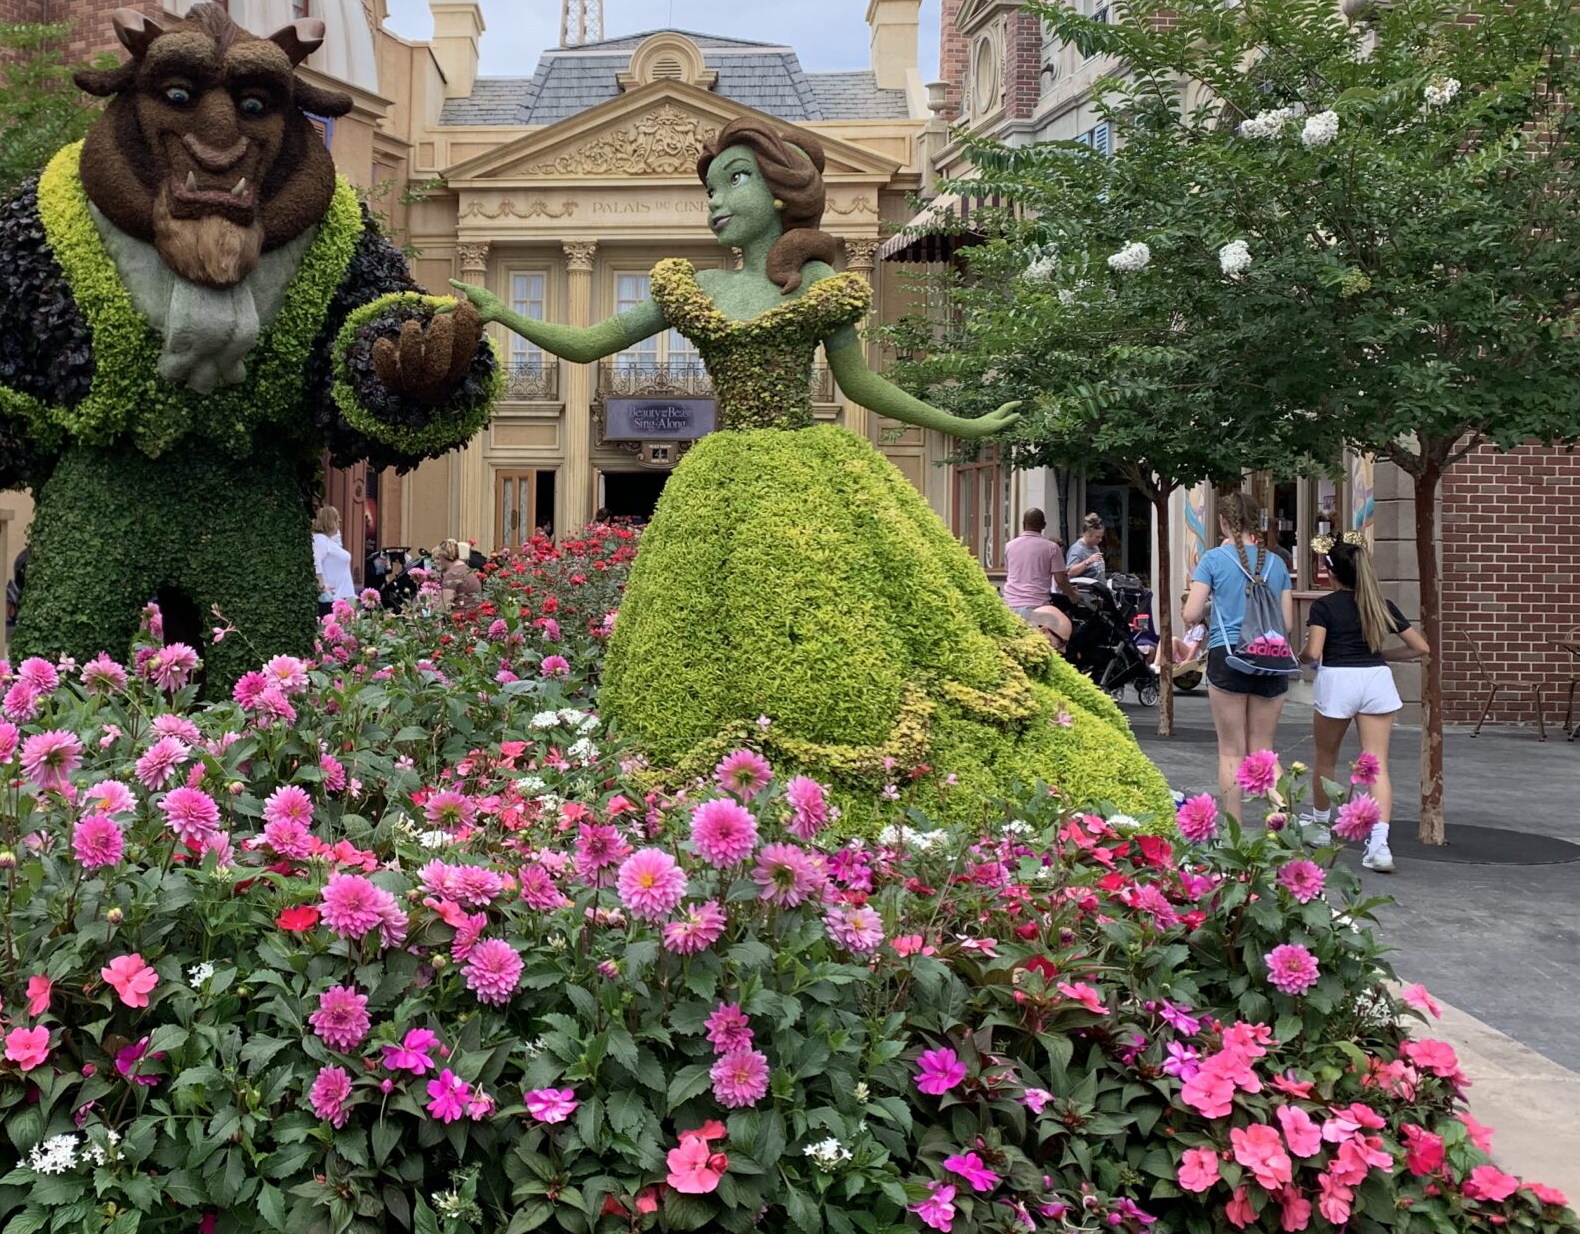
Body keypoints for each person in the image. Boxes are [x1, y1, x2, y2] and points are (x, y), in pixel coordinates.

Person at [448, 118, 1164, 819]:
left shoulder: (819, 281)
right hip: (720, 478)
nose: (716, 203)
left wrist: (962, 422)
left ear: (784, 192)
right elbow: (589, 340)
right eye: (709, 191)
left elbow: (860, 385)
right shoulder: (697, 286)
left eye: (735, 182)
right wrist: (505, 315)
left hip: (808, 472)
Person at [1305, 530, 1431, 873]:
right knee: (1376, 764)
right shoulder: (1381, 604)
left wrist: (1301, 654)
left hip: (1337, 680)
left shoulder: (1324, 606)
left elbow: (1313, 652)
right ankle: (1379, 845)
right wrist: (1384, 653)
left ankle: (1319, 824)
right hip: (1376, 679)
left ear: (1331, 574)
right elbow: (1421, 648)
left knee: (1325, 758)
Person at [1181, 491, 1296, 829]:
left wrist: (1211, 608)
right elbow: (1287, 624)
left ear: (1223, 522)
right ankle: (1281, 809)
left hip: (1228, 655)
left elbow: (1189, 614)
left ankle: (1233, 828)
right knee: (1263, 748)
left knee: (1231, 750)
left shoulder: (1213, 560)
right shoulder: (1277, 562)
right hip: (1270, 658)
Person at [1001, 508, 1074, 649]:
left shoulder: (1009, 546)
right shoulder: (1052, 548)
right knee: (1038, 651)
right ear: (1044, 525)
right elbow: (1060, 580)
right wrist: (1073, 595)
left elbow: (1010, 573)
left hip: (1009, 605)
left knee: (1013, 650)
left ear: (1023, 524)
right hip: (1036, 607)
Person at [311, 505, 357, 612]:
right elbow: (315, 561)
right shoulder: (320, 540)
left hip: (344, 595)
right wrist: (321, 586)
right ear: (330, 521)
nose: (339, 523)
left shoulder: (329, 541)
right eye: (337, 520)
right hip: (334, 598)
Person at [1063, 513, 1114, 590]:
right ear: (1088, 534)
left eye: (1101, 537)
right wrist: (1088, 562)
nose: (1100, 540)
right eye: (1097, 537)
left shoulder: (1095, 547)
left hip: (1099, 590)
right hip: (1087, 593)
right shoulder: (1077, 550)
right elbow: (1070, 573)